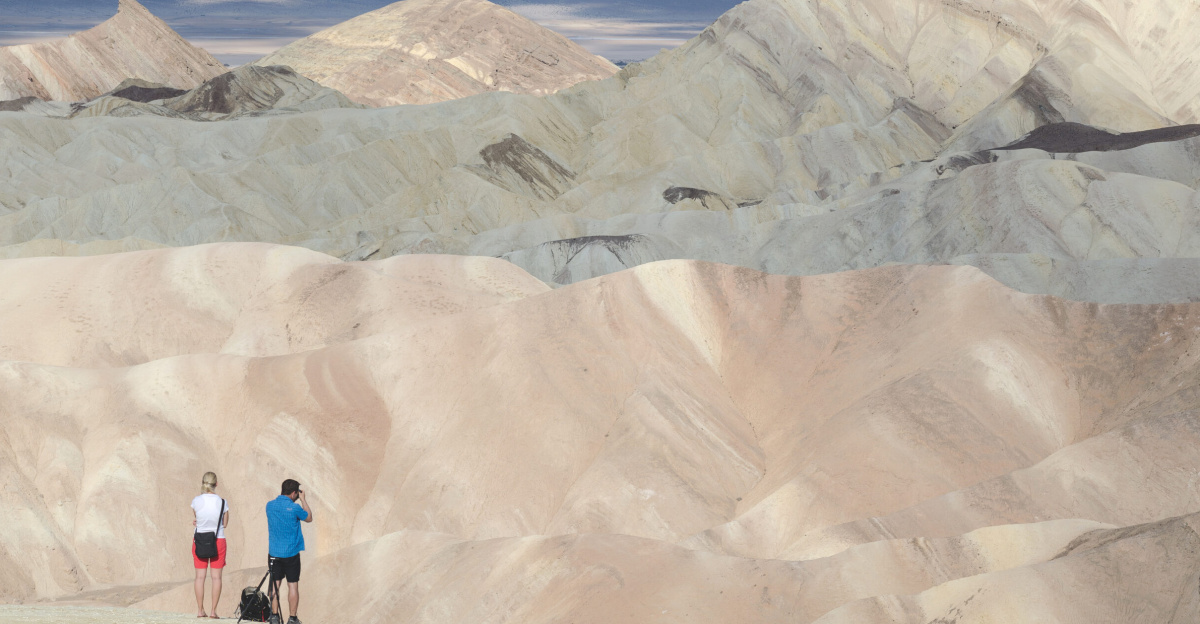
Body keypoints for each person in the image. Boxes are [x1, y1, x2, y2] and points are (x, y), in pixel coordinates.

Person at [266, 479, 311, 624]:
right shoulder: (295, 508)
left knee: (274, 584)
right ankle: (292, 618)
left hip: (274, 552)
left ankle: (274, 616)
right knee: (292, 584)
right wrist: (303, 500)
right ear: (293, 493)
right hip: (291, 553)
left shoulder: (270, 506)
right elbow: (309, 517)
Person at [191, 472, 229, 619]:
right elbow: (224, 524)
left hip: (199, 540)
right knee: (216, 578)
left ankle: (200, 611)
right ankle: (213, 611)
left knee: (199, 578)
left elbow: (197, 518)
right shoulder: (222, 502)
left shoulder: (196, 501)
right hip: (217, 540)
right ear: (216, 484)